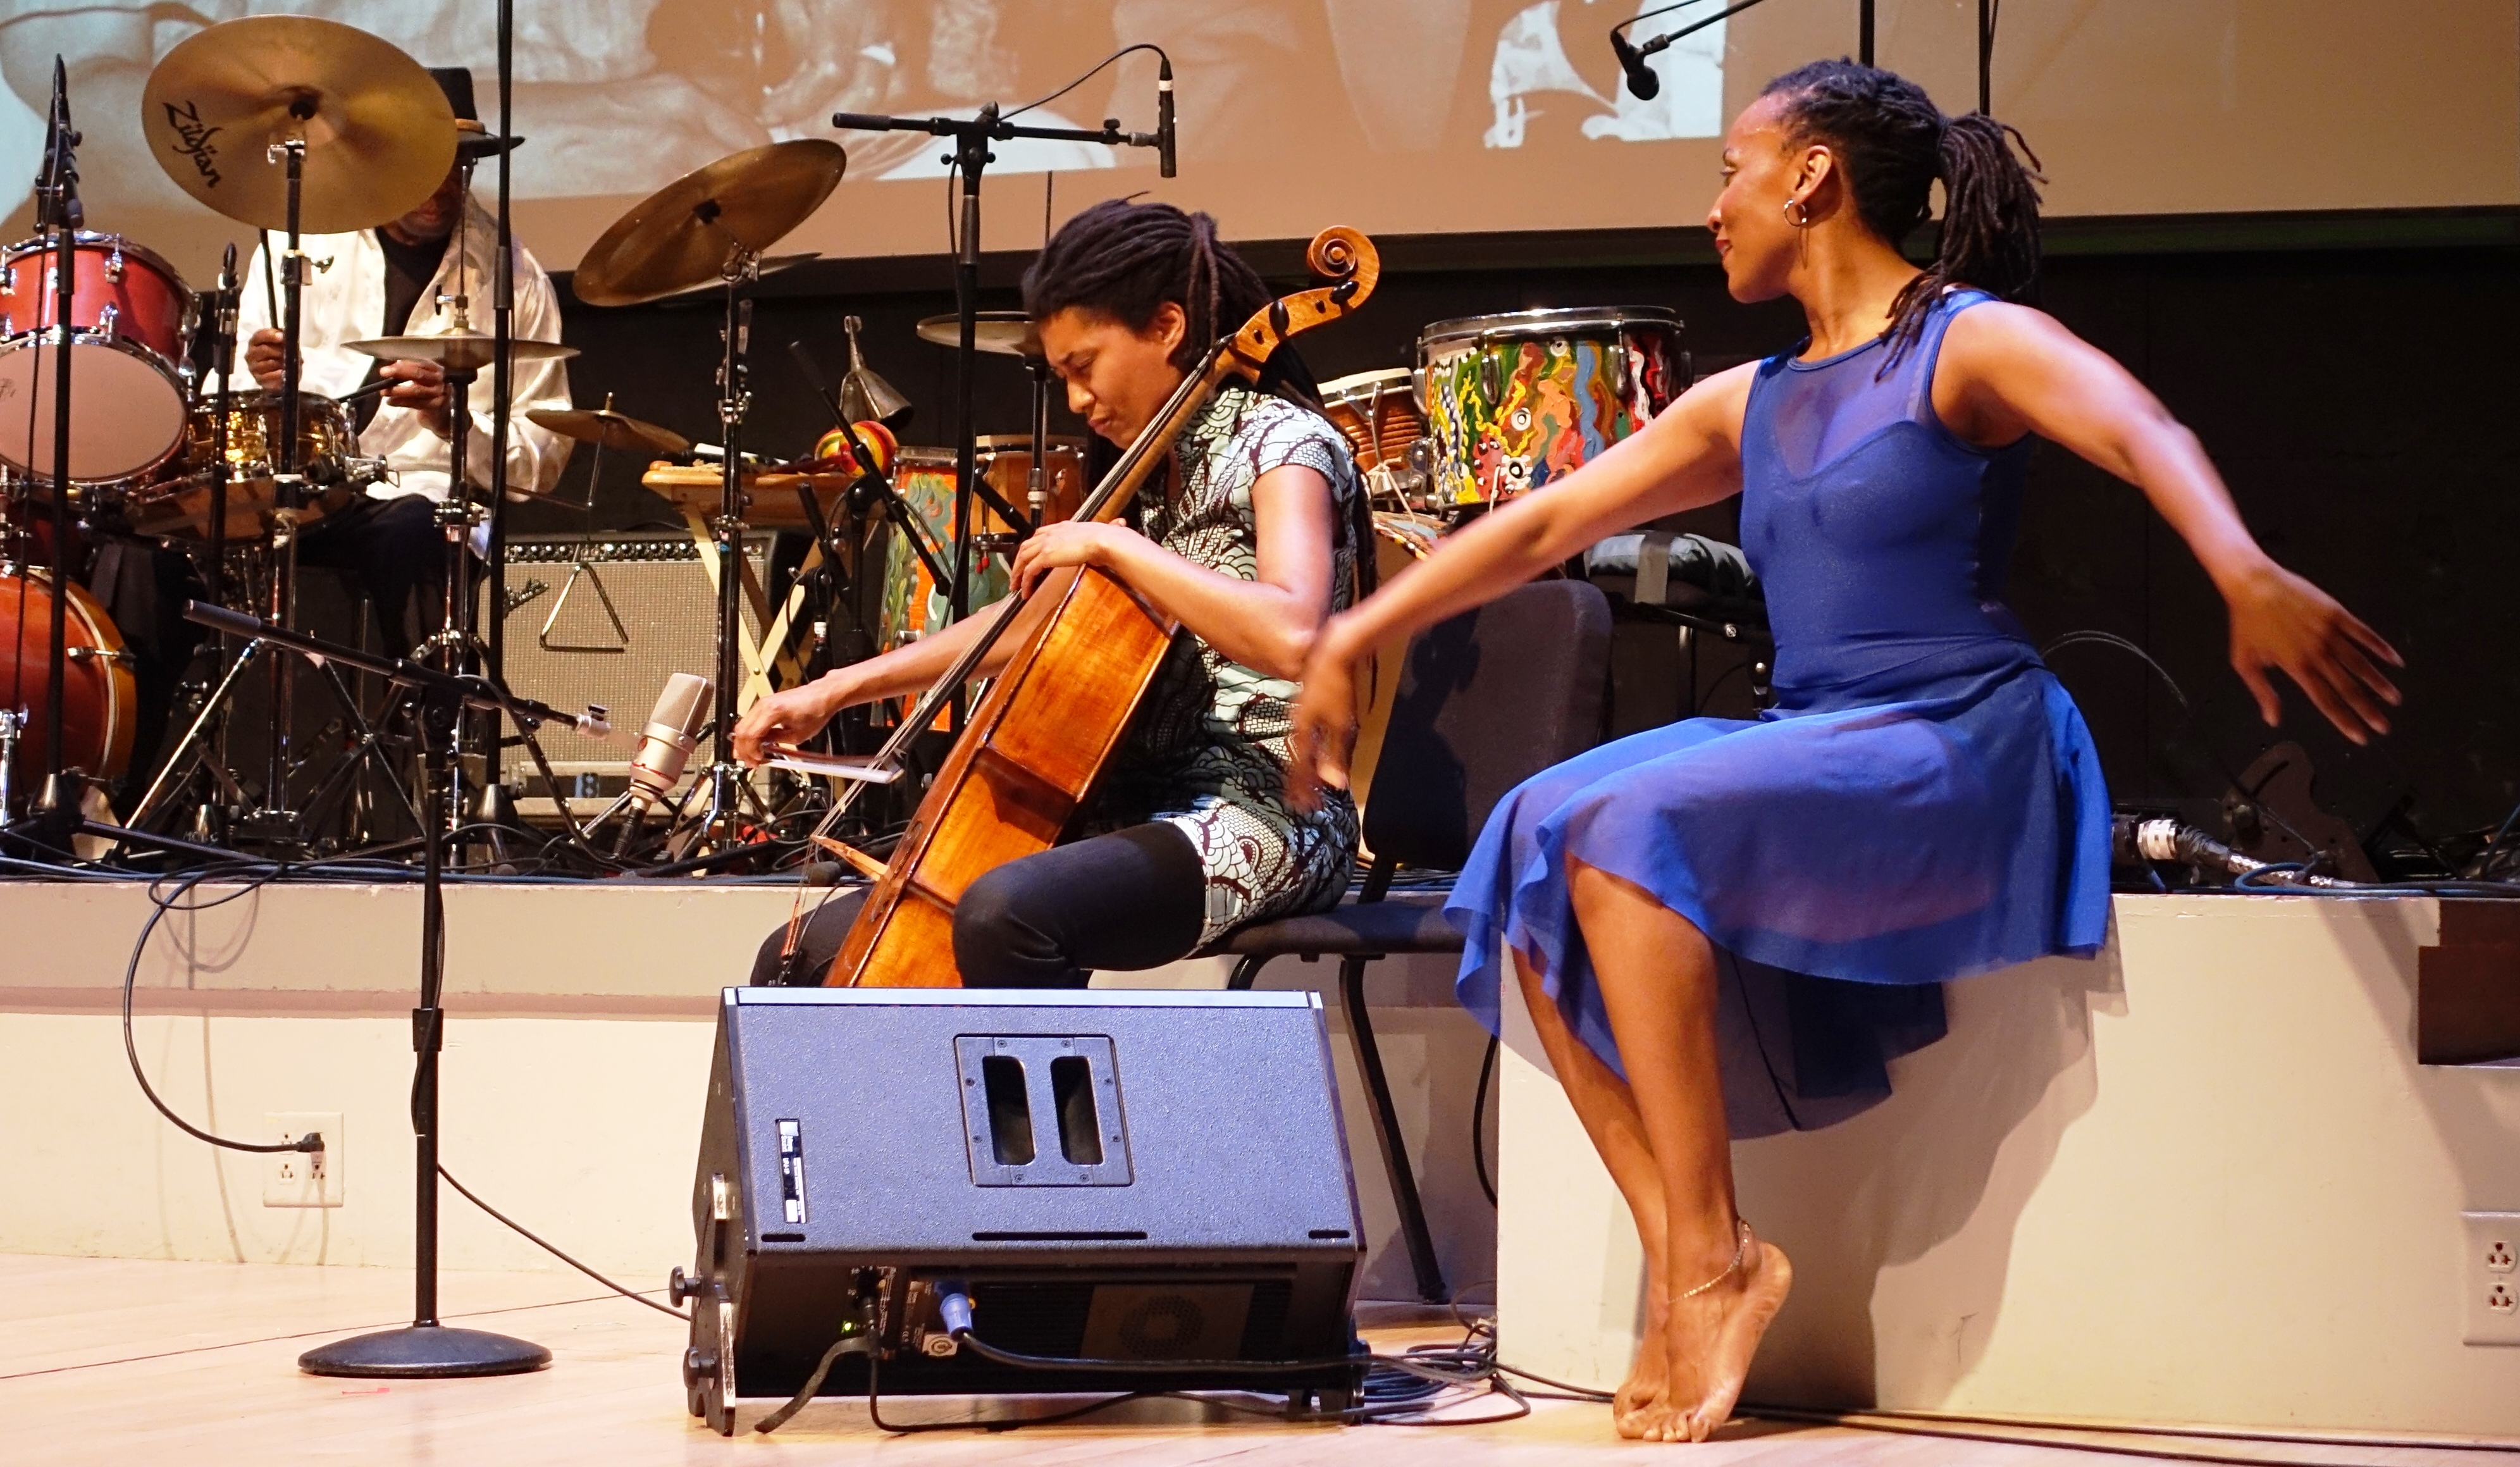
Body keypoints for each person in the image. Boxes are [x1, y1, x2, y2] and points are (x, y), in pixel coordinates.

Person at [1286, 60, 2400, 1444]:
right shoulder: (1751, 398)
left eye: (1731, 172)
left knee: (1631, 829)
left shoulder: (1964, 341)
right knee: (1530, 830)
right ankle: (1704, 1261)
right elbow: (1535, 527)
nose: (1715, 208)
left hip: (1958, 743)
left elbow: (2138, 422)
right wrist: (1352, 634)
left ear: (1812, 176)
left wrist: (2237, 564)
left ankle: (1707, 1260)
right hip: (1822, 732)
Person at [732, 198, 1363, 989]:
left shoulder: (1285, 445)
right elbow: (1038, 620)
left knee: (1010, 912)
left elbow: (1293, 631)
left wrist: (1117, 544)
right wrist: (835, 689)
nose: (1074, 399)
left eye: (1083, 366)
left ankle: (1054, 1118)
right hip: (1124, 813)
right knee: (803, 954)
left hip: (1266, 816)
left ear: (1167, 328)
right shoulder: (1152, 472)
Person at [228, 66, 572, 658]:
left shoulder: (513, 278)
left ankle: (419, 738)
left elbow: (540, 464)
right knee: (162, 544)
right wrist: (265, 389)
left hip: (420, 499)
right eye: (420, 170)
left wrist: (455, 424)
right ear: (380, 165)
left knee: (417, 525)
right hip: (300, 495)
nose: (441, 190)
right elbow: (231, 402)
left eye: (456, 168)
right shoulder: (300, 246)